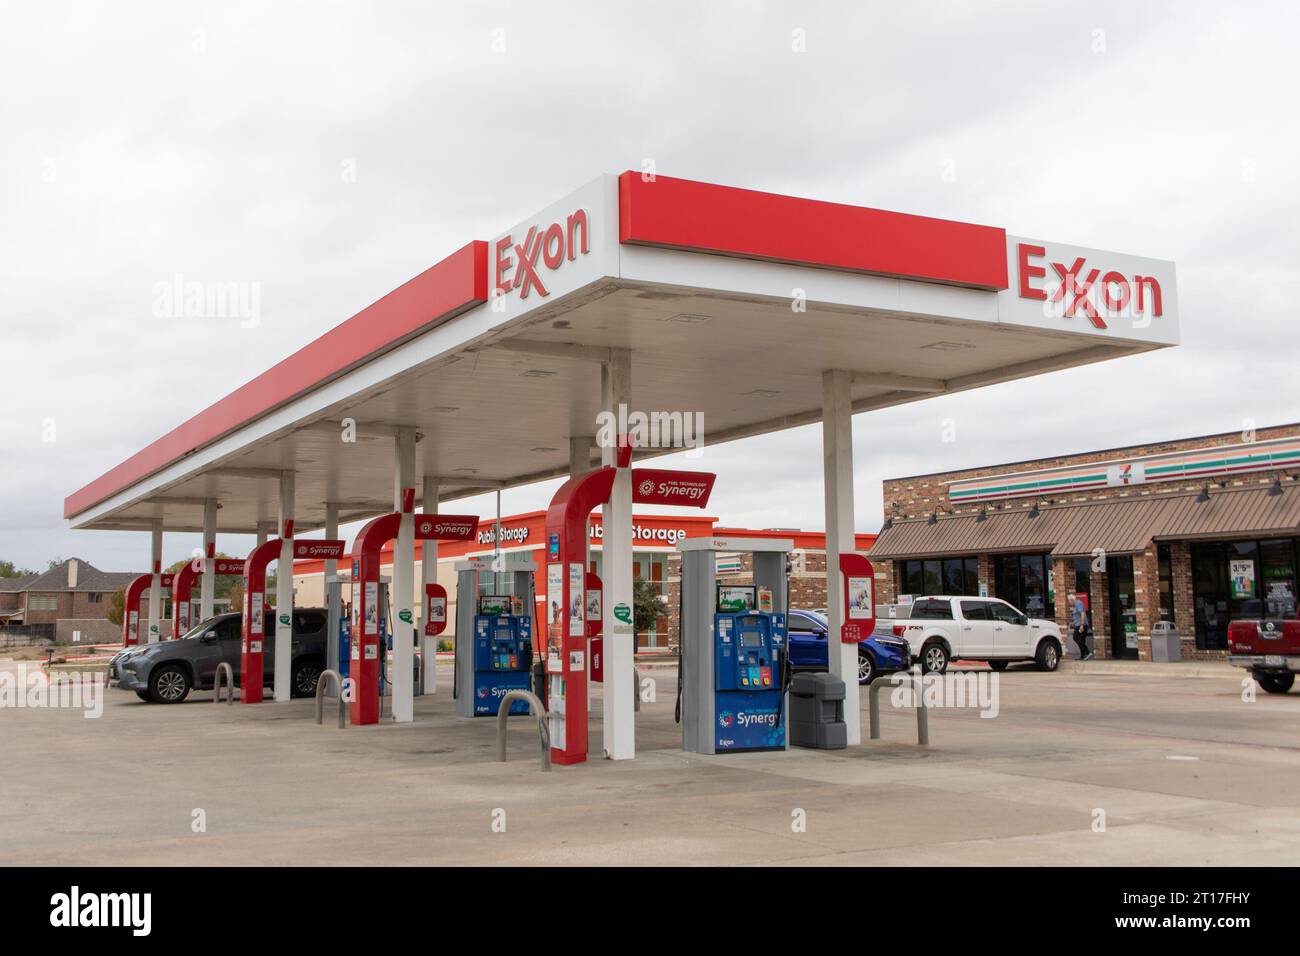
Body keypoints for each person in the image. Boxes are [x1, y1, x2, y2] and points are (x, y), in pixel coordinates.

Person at [1072, 594, 1093, 660]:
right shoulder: (1075, 605)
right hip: (1078, 624)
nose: (1069, 603)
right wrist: (1073, 622)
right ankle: (1083, 656)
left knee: (1076, 637)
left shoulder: (1078, 604)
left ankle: (1087, 652)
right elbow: (1077, 616)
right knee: (1081, 640)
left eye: (1069, 601)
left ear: (1072, 600)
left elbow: (1082, 614)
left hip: (1081, 625)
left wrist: (1082, 625)